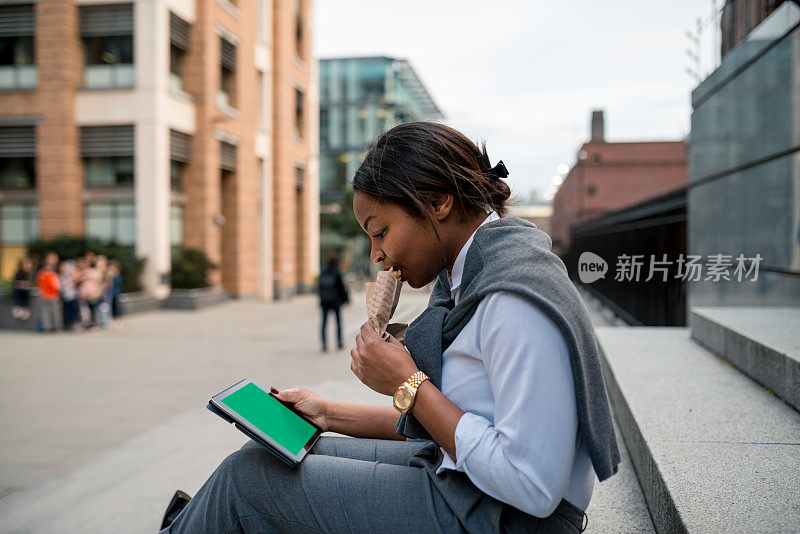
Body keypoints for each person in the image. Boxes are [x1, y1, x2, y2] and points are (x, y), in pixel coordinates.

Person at [162, 122, 619, 533]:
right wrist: (328, 414)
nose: (376, 254)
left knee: (250, 483)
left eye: (380, 231)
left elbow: (530, 486)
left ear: (439, 201)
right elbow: (461, 427)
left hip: (506, 517)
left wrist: (410, 383)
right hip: (478, 492)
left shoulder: (512, 299)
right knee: (268, 456)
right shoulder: (474, 278)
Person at [318, 256, 349, 352]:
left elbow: (319, 287)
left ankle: (324, 344)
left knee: (324, 323)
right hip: (335, 302)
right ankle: (339, 343)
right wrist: (346, 300)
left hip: (325, 302)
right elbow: (341, 288)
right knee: (338, 322)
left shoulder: (323, 272)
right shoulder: (336, 272)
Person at [35, 252, 61, 332]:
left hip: (52, 296)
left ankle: (54, 327)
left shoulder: (47, 274)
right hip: (47, 296)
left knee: (53, 312)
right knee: (47, 313)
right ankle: (48, 327)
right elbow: (56, 285)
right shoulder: (45, 274)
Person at [59, 259, 79, 330]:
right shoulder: (62, 276)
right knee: (66, 311)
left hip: (72, 295)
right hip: (65, 296)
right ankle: (67, 324)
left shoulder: (73, 275)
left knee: (73, 310)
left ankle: (73, 323)